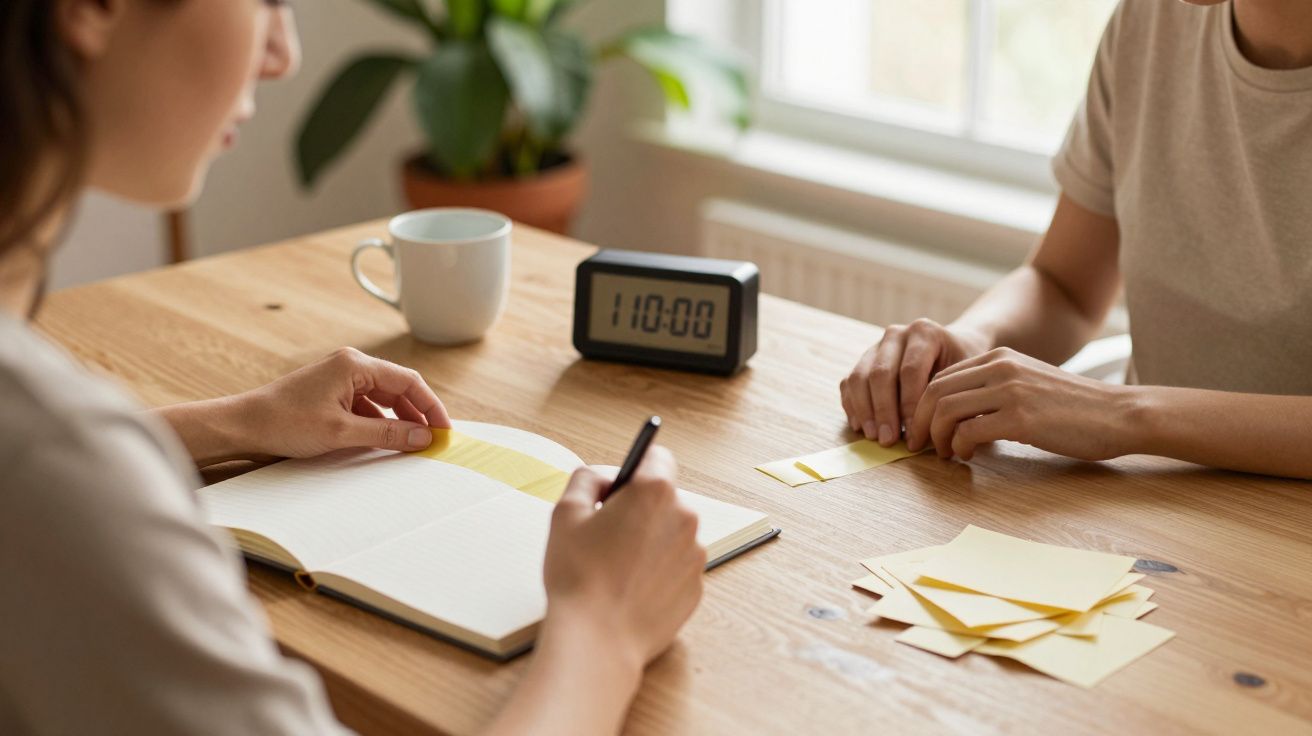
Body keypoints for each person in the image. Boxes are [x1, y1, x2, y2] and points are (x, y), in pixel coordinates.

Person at [0, 2, 705, 734]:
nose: (282, 54)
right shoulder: (55, 464)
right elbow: (47, 468)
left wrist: (234, 423)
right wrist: (603, 632)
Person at [840, 0, 1312, 480]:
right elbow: (1065, 286)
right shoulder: (1149, 19)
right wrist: (974, 340)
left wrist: (1125, 413)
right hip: (1154, 502)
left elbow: (1122, 409)